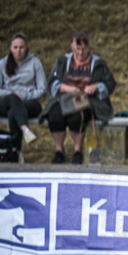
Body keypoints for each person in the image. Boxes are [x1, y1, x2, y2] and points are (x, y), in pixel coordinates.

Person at [41, 31, 116, 165]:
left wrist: (97, 86)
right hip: (64, 98)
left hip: (88, 100)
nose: (80, 53)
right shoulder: (62, 61)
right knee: (54, 115)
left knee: (78, 116)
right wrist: (67, 88)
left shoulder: (98, 63)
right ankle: (59, 151)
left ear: (89, 48)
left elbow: (110, 83)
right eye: (77, 50)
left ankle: (77, 151)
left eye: (83, 50)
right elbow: (52, 82)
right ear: (71, 47)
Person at [0, 32, 47, 146]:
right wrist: (13, 94)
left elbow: (42, 89)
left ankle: (15, 151)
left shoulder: (35, 63)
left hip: (29, 102)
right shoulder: (3, 63)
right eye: (15, 47)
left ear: (27, 47)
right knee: (13, 98)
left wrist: (25, 95)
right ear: (10, 48)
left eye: (21, 47)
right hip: (5, 102)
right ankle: (26, 130)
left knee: (13, 113)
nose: (18, 50)